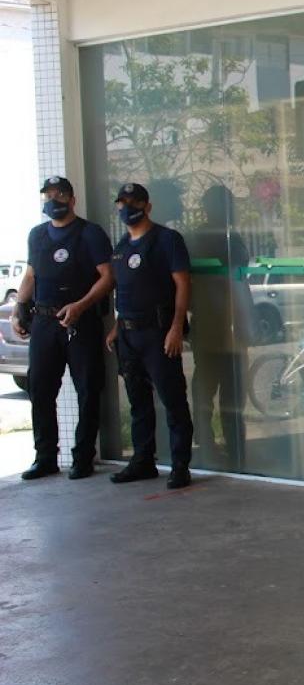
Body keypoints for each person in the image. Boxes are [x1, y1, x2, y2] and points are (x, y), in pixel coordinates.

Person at [11, 175, 114, 481]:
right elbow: (31, 275)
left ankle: (83, 457)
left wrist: (81, 305)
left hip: (80, 321)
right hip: (44, 323)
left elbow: (108, 277)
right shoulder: (38, 235)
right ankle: (45, 457)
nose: (53, 202)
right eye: (48, 196)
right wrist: (19, 309)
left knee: (87, 390)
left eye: (59, 195)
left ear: (72, 199)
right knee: (40, 389)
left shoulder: (90, 234)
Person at [106, 182, 195, 490]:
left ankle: (180, 465)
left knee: (172, 400)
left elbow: (182, 285)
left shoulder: (167, 240)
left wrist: (175, 327)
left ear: (147, 206)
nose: (127, 208)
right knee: (137, 402)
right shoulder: (121, 247)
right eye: (122, 203)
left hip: (158, 333)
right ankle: (143, 461)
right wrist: (117, 328)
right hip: (129, 335)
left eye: (133, 202)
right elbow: (124, 292)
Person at [187, 184, 253, 468]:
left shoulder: (227, 236)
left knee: (225, 394)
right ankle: (221, 450)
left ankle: (225, 449)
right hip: (215, 325)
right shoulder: (206, 237)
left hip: (229, 325)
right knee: (217, 393)